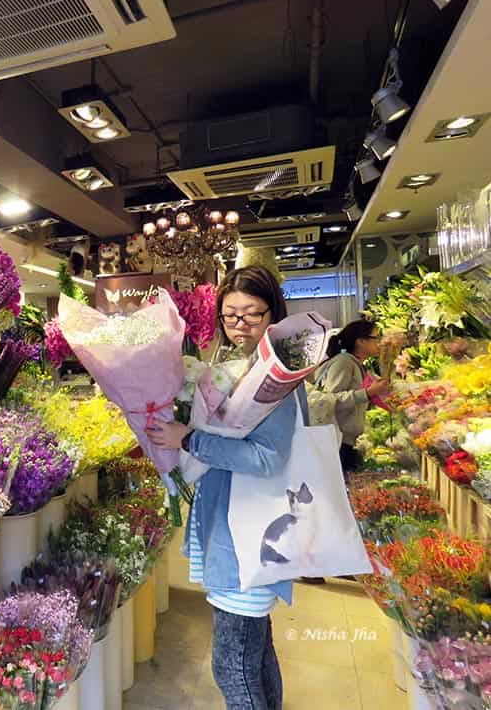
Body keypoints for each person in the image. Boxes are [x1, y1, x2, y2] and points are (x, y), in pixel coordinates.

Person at [146, 264, 302, 710]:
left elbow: (267, 458)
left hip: (250, 538)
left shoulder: (278, 378)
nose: (240, 325)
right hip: (238, 533)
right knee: (255, 656)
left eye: (252, 314)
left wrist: (190, 439)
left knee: (233, 666)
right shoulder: (238, 368)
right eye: (230, 315)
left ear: (274, 313)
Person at [312, 319, 390, 475]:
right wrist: (367, 393)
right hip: (338, 442)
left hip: (344, 441)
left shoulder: (356, 364)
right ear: (360, 341)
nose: (380, 343)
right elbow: (332, 399)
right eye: (376, 338)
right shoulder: (344, 362)